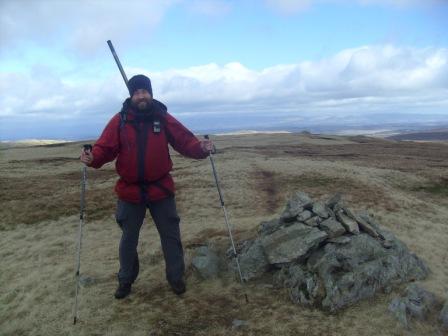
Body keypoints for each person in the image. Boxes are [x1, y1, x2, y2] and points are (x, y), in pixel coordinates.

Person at [80, 74, 213, 299]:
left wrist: (201, 147)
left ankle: (176, 278)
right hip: (130, 191)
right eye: (137, 92)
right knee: (128, 240)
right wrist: (92, 157)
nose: (142, 96)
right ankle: (125, 280)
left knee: (171, 236)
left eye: (145, 91)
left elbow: (184, 140)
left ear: (151, 93)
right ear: (131, 95)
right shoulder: (120, 120)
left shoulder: (162, 117)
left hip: (161, 189)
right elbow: (105, 148)